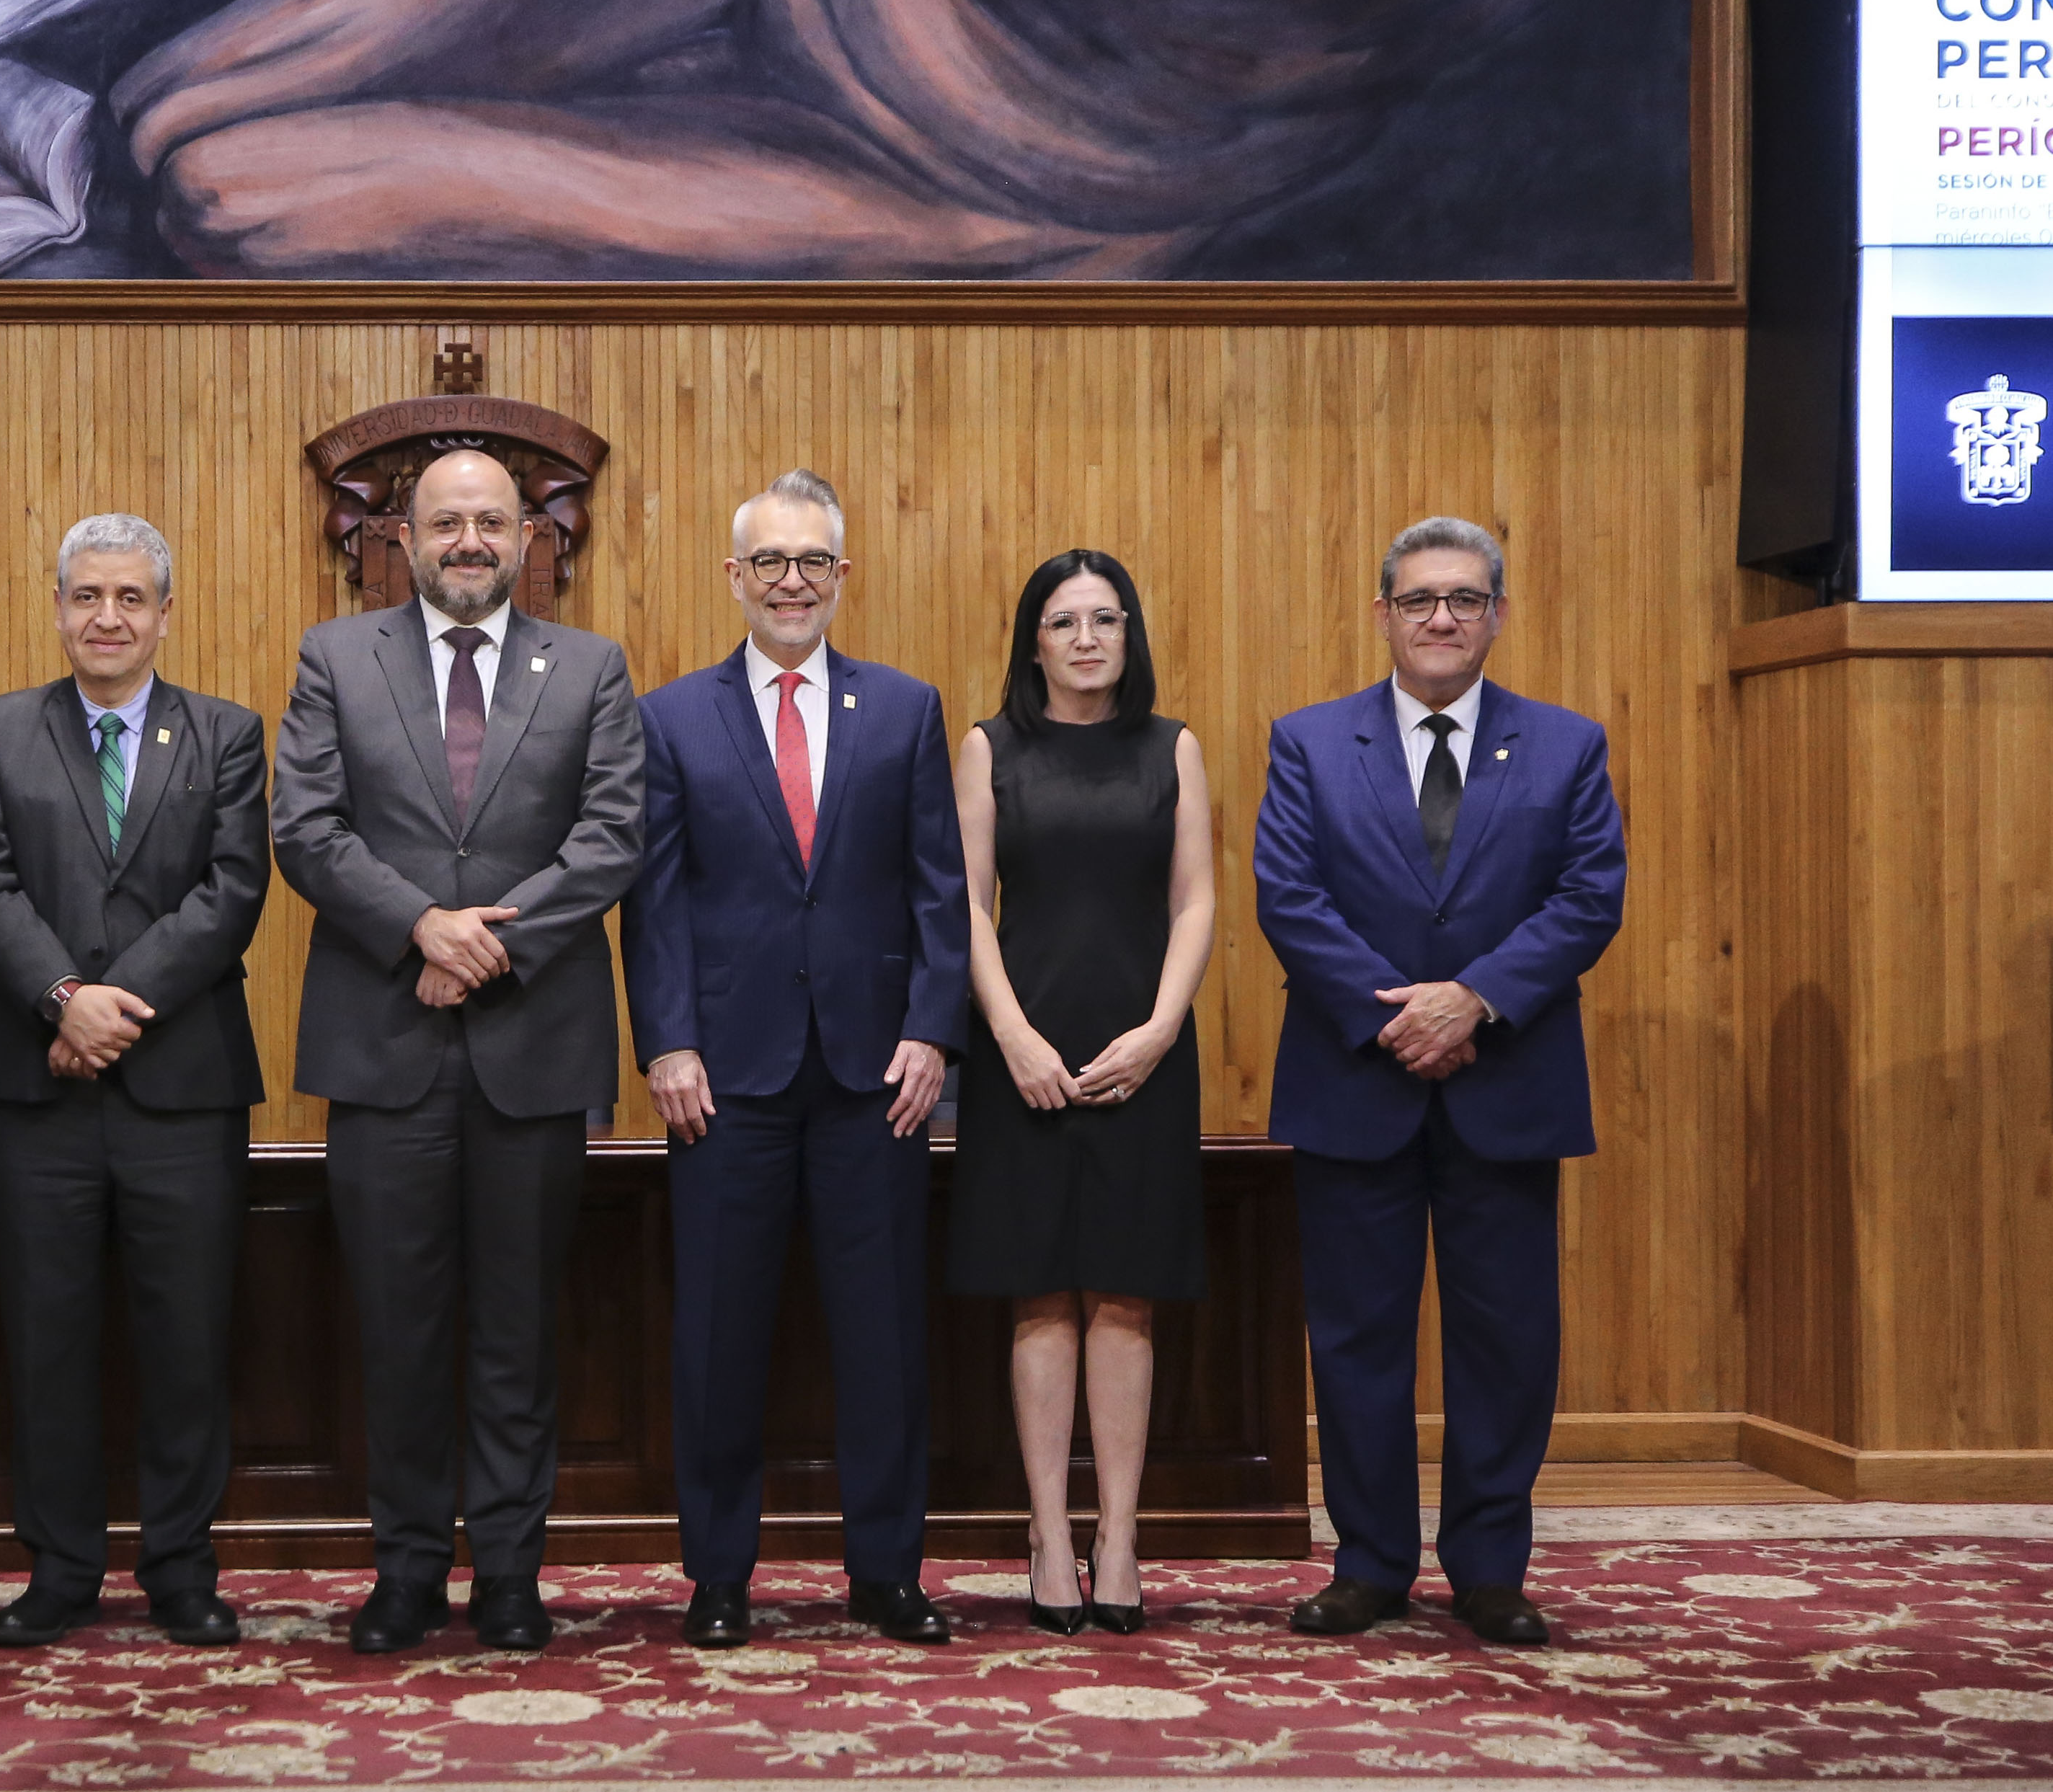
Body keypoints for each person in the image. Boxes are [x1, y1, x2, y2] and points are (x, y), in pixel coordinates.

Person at [272, 446, 645, 1654]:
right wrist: (419, 927)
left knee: (517, 1329)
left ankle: (510, 1574)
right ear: (405, 538)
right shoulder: (337, 657)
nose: (470, 541)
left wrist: (484, 945)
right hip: (384, 1045)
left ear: (528, 536)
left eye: (491, 521)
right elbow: (306, 827)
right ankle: (405, 1569)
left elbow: (611, 835)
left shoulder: (590, 666)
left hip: (532, 1047)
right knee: (397, 1328)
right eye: (446, 523)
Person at [1254, 517, 1624, 1648]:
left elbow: (1588, 896)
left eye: (1464, 598)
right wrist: (1403, 1018)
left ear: (1497, 614)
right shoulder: (1309, 741)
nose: (1441, 618)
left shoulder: (1565, 744)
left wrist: (1473, 999)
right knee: (1354, 1338)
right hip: (1352, 1085)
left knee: (1505, 1342)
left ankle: (1489, 1569)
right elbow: (1288, 896)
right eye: (1418, 599)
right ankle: (1367, 1564)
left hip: (1505, 1081)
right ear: (1383, 614)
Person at [621, 469, 965, 1649]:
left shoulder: (904, 709)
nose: (790, 581)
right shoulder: (671, 716)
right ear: (734, 576)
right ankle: (719, 1576)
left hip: (879, 1077)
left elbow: (938, 888)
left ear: (842, 575)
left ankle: (887, 1573)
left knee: (884, 1336)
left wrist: (932, 1029)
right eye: (769, 561)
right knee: (718, 1338)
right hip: (724, 1079)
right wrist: (666, 1039)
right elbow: (654, 901)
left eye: (812, 560)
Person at [0, 515, 272, 1651]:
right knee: (46, 1337)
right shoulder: (0, 729)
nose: (107, 616)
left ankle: (180, 1564)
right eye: (87, 595)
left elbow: (232, 891)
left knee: (187, 1337)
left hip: (181, 1087)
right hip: (37, 1090)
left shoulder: (226, 733)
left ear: (165, 614)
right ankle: (60, 1567)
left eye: (131, 597)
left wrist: (109, 1005)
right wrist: (60, 998)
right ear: (58, 608)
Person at [949, 549, 1213, 1636]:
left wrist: (1159, 1030)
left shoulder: (1171, 747)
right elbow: (966, 905)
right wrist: (1009, 1035)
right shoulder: (989, 747)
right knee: (1040, 1296)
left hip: (1142, 1052)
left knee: (1125, 1296)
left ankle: (1119, 1535)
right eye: (1064, 621)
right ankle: (1049, 1534)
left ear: (1129, 633)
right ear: (1034, 642)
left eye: (1106, 618)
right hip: (1023, 1054)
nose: (1087, 638)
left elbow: (1195, 901)